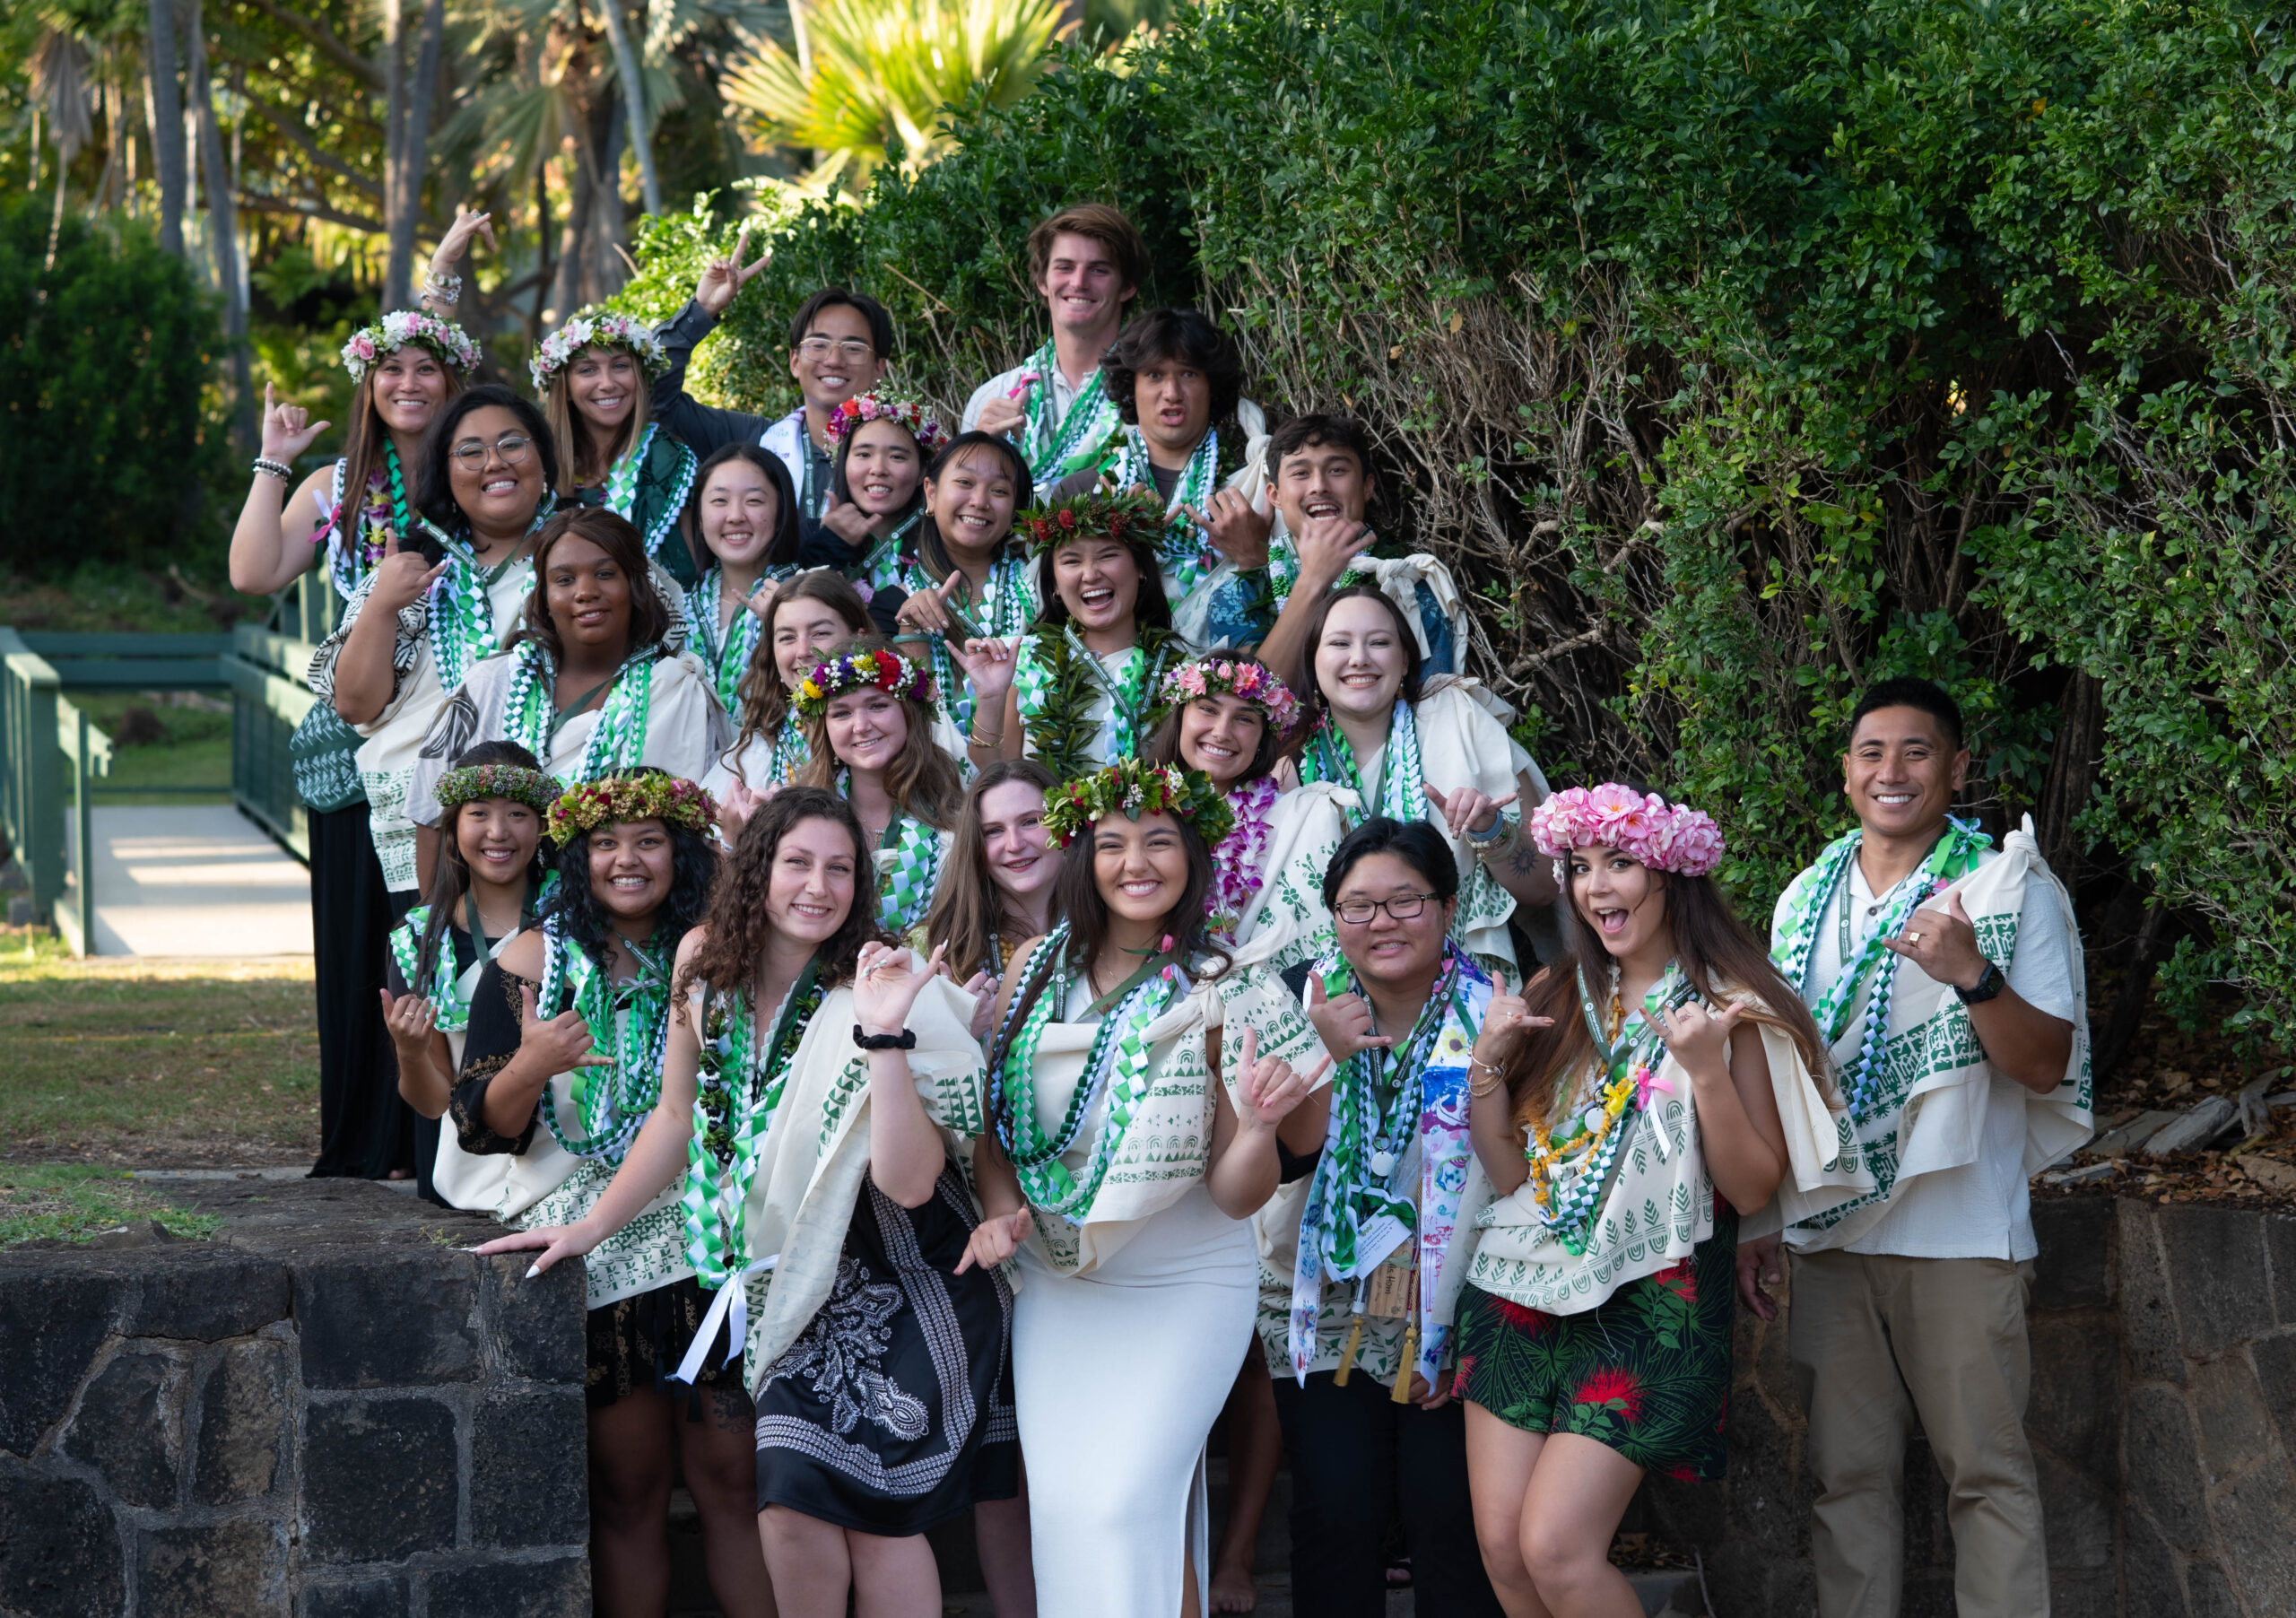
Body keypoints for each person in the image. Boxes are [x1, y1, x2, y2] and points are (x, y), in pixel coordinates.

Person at [487, 786, 1018, 1618]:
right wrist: (589, 1226)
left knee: (873, 1517)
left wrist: (882, 1037)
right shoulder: (703, 960)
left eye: (839, 869)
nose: (818, 886)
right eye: (796, 862)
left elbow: (911, 1184)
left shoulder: (879, 978)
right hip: (769, 1273)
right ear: (756, 870)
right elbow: (675, 1117)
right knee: (792, 1500)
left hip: (889, 1272)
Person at [1455, 784, 1867, 1618]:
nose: (1597, 887)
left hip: (1654, 1299)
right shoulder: (1557, 998)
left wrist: (1707, 1071)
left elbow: (1750, 1187)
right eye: (1580, 868)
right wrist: (1489, 1065)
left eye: (1622, 864)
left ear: (1672, 875)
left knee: (1557, 1549)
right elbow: (1508, 1178)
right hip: (1519, 1290)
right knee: (1504, 1553)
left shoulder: (1728, 1007)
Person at [1742, 678, 2092, 1618]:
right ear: (1846, 773)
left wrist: (1971, 974)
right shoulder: (1805, 898)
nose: (1891, 771)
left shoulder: (2005, 889)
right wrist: (1762, 1220)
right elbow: (1783, 1074)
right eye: (1871, 753)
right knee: (1844, 1483)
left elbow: (2047, 1065)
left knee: (1985, 1479)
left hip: (1958, 1233)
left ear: (1957, 767)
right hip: (1830, 1238)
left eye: (1917, 751)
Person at [957, 758, 1323, 1617]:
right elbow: (993, 1132)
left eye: (1160, 841)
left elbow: (1240, 1196)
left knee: (1126, 1508)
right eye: (1112, 842)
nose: (1136, 861)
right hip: (1061, 1284)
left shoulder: (1230, 984)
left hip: (1186, 1284)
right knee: (1070, 1515)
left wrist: (1263, 1126)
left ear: (1194, 859)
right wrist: (1001, 1212)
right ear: (1083, 858)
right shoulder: (1033, 974)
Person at [457, 771, 771, 1618]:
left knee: (736, 1488)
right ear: (579, 857)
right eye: (606, 843)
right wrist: (532, 1066)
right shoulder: (528, 964)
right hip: (594, 1254)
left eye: (649, 841)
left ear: (683, 853)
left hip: (709, 1238)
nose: (627, 860)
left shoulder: (722, 953)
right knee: (630, 1495)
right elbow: (481, 1127)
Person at [230, 309, 478, 1184]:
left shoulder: (481, 478)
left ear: (454, 385)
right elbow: (255, 571)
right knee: (358, 939)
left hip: (457, 737)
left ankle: (435, 1136)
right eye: (390, 371)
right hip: (354, 735)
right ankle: (361, 1143)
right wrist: (276, 460)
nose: (408, 385)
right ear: (368, 386)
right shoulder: (341, 485)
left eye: (427, 370)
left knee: (440, 934)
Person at [1248, 816, 1509, 1618]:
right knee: (1334, 1515)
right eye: (1357, 906)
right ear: (1331, 917)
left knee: (1450, 1519)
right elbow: (1285, 1158)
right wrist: (1319, 1052)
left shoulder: (1498, 1005)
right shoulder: (1300, 997)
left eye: (1405, 901)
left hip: (1455, 1306)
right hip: (1323, 1301)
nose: (1381, 923)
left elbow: (1520, 1177)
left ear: (1449, 905)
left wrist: (1474, 1320)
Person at [313, 383, 560, 904]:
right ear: (445, 473)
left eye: (513, 444)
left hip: (552, 829)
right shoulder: (416, 564)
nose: (495, 463)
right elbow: (355, 705)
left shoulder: (587, 557)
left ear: (543, 457)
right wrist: (382, 604)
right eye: (470, 452)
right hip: (418, 835)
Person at [403, 509, 729, 845]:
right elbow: (432, 816)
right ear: (543, 595)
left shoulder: (678, 689)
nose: (585, 591)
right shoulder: (489, 684)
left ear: (635, 586)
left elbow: (708, 833)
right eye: (564, 579)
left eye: (605, 574)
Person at [1287, 586, 1561, 979]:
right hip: (1339, 1004)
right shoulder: (1288, 769)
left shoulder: (1460, 720)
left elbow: (1544, 888)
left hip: (1471, 989)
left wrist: (1490, 830)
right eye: (1339, 643)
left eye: (1379, 642)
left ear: (1404, 661)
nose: (1360, 658)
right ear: (1313, 662)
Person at [380, 744, 556, 1198]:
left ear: (542, 826)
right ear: (453, 826)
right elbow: (435, 1100)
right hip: (472, 1180)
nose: (498, 832)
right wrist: (411, 1052)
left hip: (574, 1162)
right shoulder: (419, 939)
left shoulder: (577, 921)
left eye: (517, 814)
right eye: (479, 814)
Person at [1051, 308, 1278, 649]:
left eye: (1188, 374)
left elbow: (1298, 613)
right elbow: (1055, 615)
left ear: (1211, 387)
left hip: (1221, 695)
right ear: (1132, 387)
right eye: (1155, 375)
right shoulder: (1083, 491)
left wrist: (1255, 559)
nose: (1172, 392)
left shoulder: (1250, 485)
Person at [652, 248, 895, 526]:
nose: (834, 360)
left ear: (879, 368)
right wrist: (702, 310)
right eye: (818, 345)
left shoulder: (900, 458)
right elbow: (653, 398)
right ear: (794, 361)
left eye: (853, 348)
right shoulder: (750, 441)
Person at [1250, 413, 1472, 685]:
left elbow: (1431, 708)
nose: (1319, 486)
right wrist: (1313, 580)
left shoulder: (1407, 587)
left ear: (1367, 487)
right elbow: (1248, 702)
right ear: (1275, 496)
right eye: (1300, 473)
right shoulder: (1240, 595)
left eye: (1337, 471)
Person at [990, 487, 1182, 780]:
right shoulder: (1027, 663)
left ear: (1141, 568)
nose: (1090, 574)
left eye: (1107, 555)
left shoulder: (1182, 674)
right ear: (1053, 583)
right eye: (1072, 561)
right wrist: (990, 697)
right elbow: (999, 773)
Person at [963, 203, 1149, 483]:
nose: (1078, 282)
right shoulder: (993, 398)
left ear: (1127, 287)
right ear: (1042, 280)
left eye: (1098, 270)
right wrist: (980, 448)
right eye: (1064, 267)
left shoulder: (1151, 392)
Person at [790, 643, 964, 936]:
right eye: (842, 713)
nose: (861, 726)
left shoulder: (955, 823)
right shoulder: (797, 820)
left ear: (910, 714)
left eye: (878, 706)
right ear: (825, 729)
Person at [875, 432, 1039, 740]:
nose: (979, 501)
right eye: (965, 483)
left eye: (999, 490)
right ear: (931, 493)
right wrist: (912, 631)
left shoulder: (1042, 585)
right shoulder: (892, 604)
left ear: (1016, 510)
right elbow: (903, 721)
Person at [531, 308, 701, 588]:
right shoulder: (540, 465)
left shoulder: (667, 460)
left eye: (620, 366)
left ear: (639, 377)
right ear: (565, 387)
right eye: (588, 370)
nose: (608, 384)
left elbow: (693, 570)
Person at [705, 570, 874, 813]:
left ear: (860, 638)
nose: (803, 651)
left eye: (820, 633)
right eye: (787, 637)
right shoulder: (758, 748)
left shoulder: (890, 727)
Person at [684, 443, 802, 713]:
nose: (736, 516)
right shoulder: (678, 610)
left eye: (754, 501)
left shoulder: (808, 600)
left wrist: (786, 625)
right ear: (700, 518)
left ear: (781, 511)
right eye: (719, 501)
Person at [794, 390, 947, 591]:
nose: (878, 469)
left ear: (922, 472)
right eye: (864, 454)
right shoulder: (804, 536)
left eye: (897, 457)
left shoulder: (943, 539)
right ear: (842, 463)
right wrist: (829, 544)